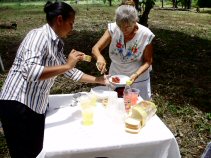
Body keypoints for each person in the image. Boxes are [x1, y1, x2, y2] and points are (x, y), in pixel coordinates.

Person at [0, 1, 107, 158]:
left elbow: (70, 72)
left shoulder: (55, 43)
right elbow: (31, 72)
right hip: (18, 104)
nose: (72, 28)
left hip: (34, 105)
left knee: (36, 151)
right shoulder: (37, 36)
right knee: (25, 154)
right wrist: (67, 65)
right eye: (70, 23)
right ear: (59, 20)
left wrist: (100, 80)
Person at [92, 4, 155, 100]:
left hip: (137, 78)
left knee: (136, 106)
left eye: (128, 27)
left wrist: (136, 75)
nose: (123, 30)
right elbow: (95, 48)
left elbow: (148, 61)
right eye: (120, 26)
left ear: (135, 21)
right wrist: (99, 57)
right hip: (115, 74)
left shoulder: (146, 35)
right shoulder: (113, 29)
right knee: (114, 103)